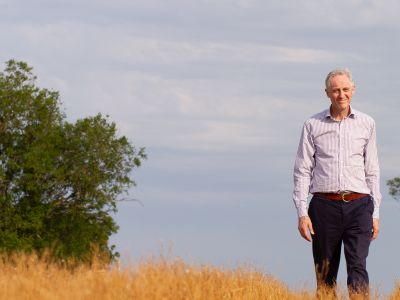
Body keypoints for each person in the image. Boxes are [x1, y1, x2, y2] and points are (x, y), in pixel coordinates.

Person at [292, 68, 381, 296]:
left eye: (345, 89)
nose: (341, 95)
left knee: (358, 267)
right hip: (324, 207)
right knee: (325, 273)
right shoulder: (313, 124)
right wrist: (302, 213)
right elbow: (302, 170)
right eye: (335, 91)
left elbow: (372, 170)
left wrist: (375, 213)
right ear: (327, 93)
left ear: (353, 90)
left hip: (360, 205)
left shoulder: (367, 123)